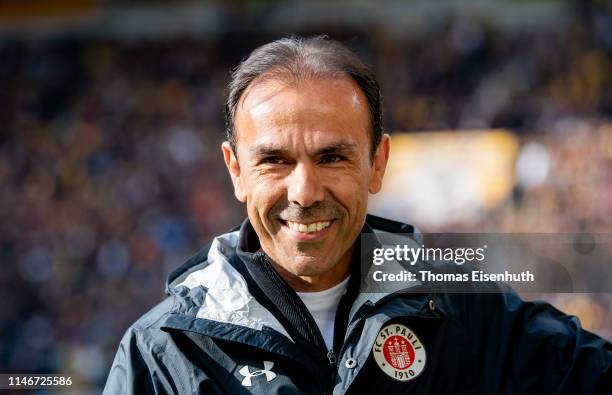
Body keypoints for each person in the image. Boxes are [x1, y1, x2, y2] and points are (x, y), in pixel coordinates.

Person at [103, 36, 611, 394]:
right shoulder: (164, 352)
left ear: (377, 163)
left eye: (332, 157)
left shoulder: (463, 311)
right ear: (236, 171)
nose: (304, 192)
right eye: (275, 160)